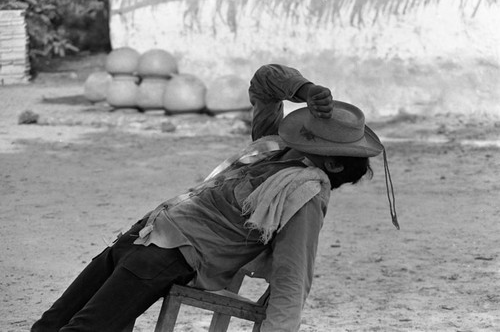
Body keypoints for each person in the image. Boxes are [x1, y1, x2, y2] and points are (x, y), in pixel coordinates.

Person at [32, 64, 398, 332]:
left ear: (332, 162)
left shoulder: (305, 191)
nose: (305, 129)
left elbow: (293, 275)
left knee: (84, 329)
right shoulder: (274, 145)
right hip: (143, 235)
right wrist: (305, 89)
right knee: (52, 324)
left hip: (170, 256)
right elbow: (265, 81)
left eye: (318, 136)